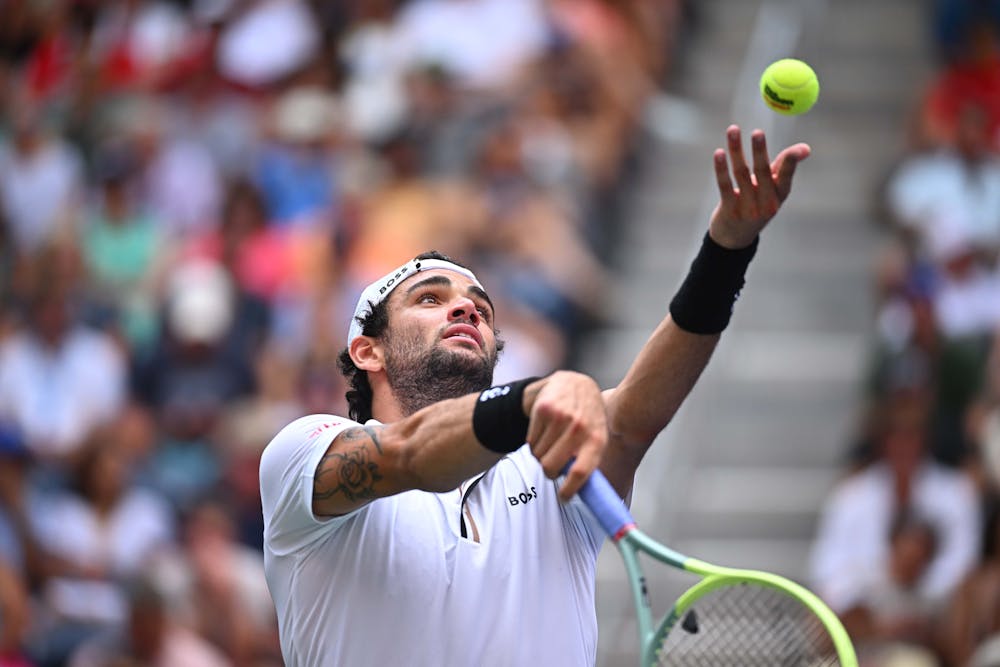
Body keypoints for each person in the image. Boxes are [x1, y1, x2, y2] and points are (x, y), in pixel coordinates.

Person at [258, 124, 810, 665]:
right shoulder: (303, 452)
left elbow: (636, 416)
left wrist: (726, 252)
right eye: (429, 299)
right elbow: (412, 456)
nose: (466, 307)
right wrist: (529, 400)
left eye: (480, 305)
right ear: (367, 351)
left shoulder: (551, 469)